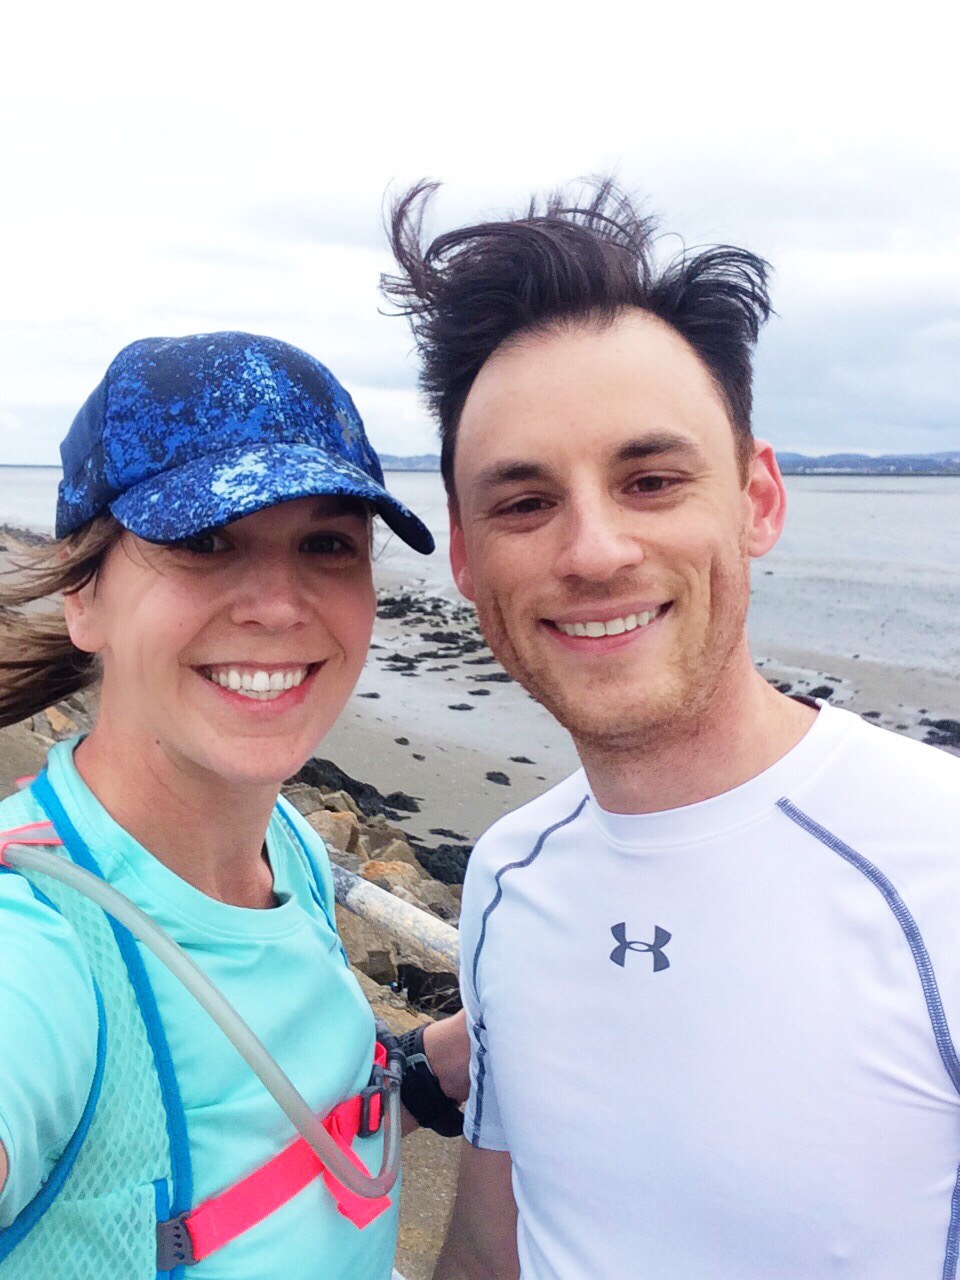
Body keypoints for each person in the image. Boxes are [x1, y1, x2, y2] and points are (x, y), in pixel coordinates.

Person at [384, 181, 960, 1279]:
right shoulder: (508, 874)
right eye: (525, 502)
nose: (594, 551)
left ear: (757, 500)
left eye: (650, 480)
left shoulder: (938, 863)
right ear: (463, 554)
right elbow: (494, 1245)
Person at [0, 331, 468, 1279]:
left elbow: (281, 1111)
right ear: (85, 597)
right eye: (204, 540)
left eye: (327, 544)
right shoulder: (40, 946)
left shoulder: (286, 844)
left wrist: (465, 1052)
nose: (278, 605)